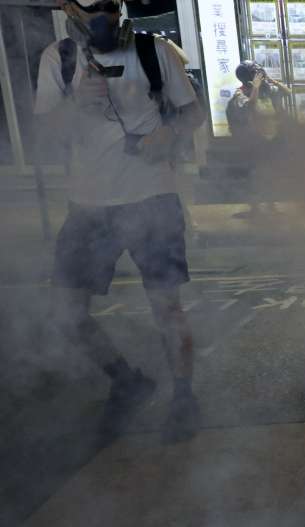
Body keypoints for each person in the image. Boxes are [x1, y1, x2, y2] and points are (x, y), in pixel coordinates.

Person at [35, 0, 205, 446]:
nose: (105, 17)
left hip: (153, 197)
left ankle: (183, 396)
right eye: (94, 8)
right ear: (71, 11)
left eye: (111, 7)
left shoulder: (153, 50)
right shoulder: (60, 58)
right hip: (88, 205)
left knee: (166, 306)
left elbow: (192, 112)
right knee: (66, 312)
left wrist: (168, 133)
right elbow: (46, 133)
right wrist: (75, 104)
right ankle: (126, 379)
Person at [225, 60, 288, 217]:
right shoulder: (240, 94)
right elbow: (250, 106)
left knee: (271, 172)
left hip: (270, 137)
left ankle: (271, 204)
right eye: (256, 73)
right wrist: (255, 87)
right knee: (255, 174)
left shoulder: (266, 90)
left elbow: (287, 92)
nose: (260, 75)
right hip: (253, 140)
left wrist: (272, 81)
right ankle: (255, 207)